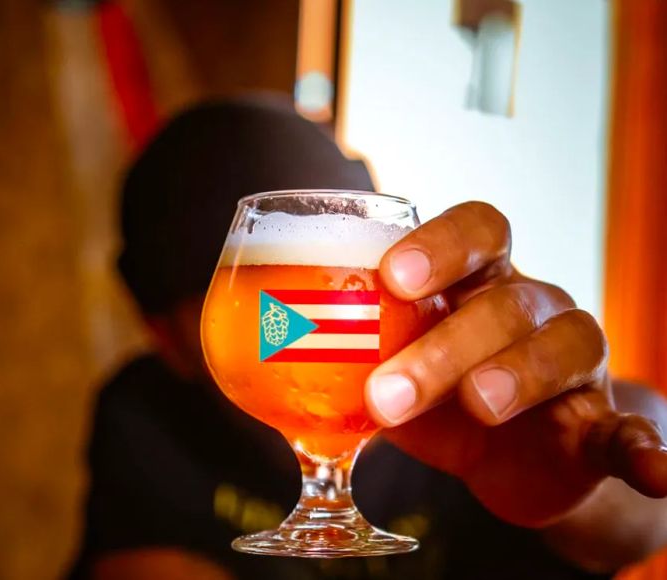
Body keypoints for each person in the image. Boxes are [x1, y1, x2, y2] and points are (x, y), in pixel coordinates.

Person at [68, 96, 667, 580]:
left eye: (347, 262)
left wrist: (591, 466)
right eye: (275, 295)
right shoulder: (145, 416)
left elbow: (645, 508)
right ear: (170, 338)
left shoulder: (471, 403)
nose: (329, 311)